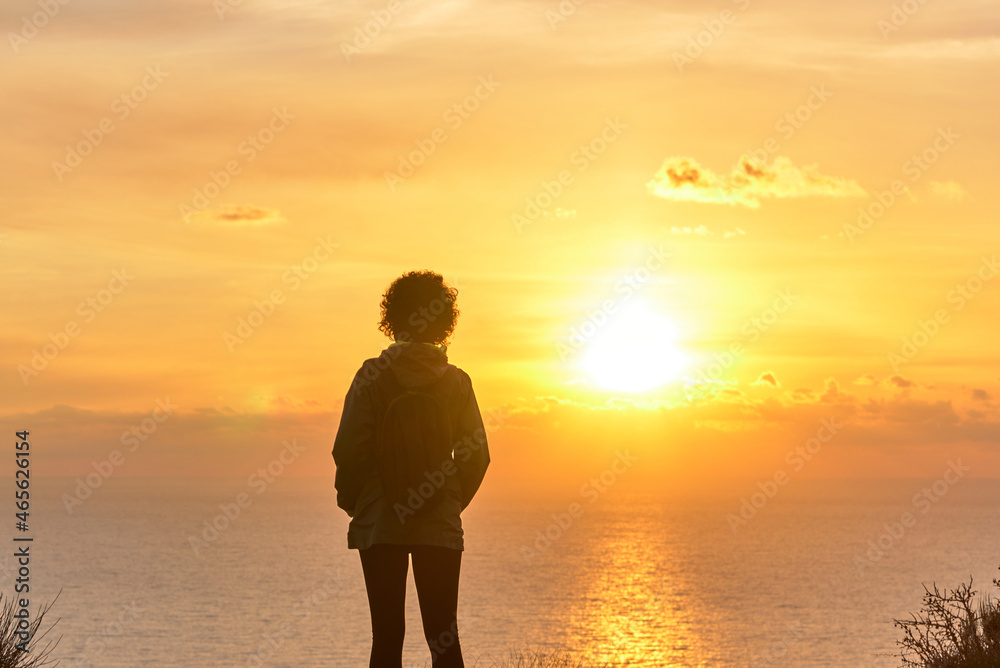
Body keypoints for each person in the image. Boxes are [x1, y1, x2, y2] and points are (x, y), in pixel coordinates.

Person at [333, 270, 490, 668]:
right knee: (443, 637)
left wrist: (358, 504)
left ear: (394, 318)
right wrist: (447, 501)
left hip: (379, 521)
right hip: (438, 522)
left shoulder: (371, 375)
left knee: (386, 636)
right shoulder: (457, 382)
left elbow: (348, 449)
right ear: (444, 320)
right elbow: (476, 456)